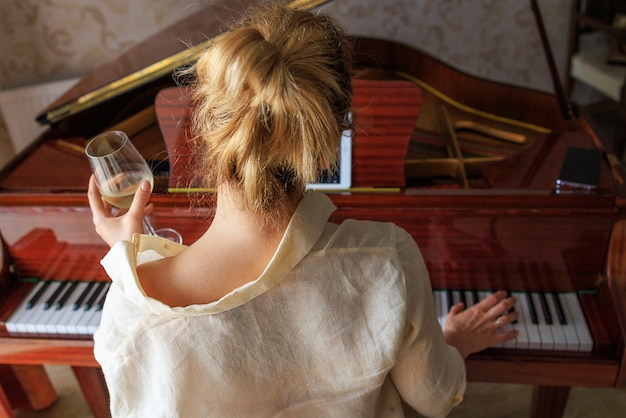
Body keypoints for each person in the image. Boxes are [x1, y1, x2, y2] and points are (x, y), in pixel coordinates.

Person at [88, 2, 519, 417]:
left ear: (208, 127)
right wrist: (454, 343)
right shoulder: (387, 257)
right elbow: (432, 398)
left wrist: (134, 259)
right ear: (329, 141)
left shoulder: (131, 316)